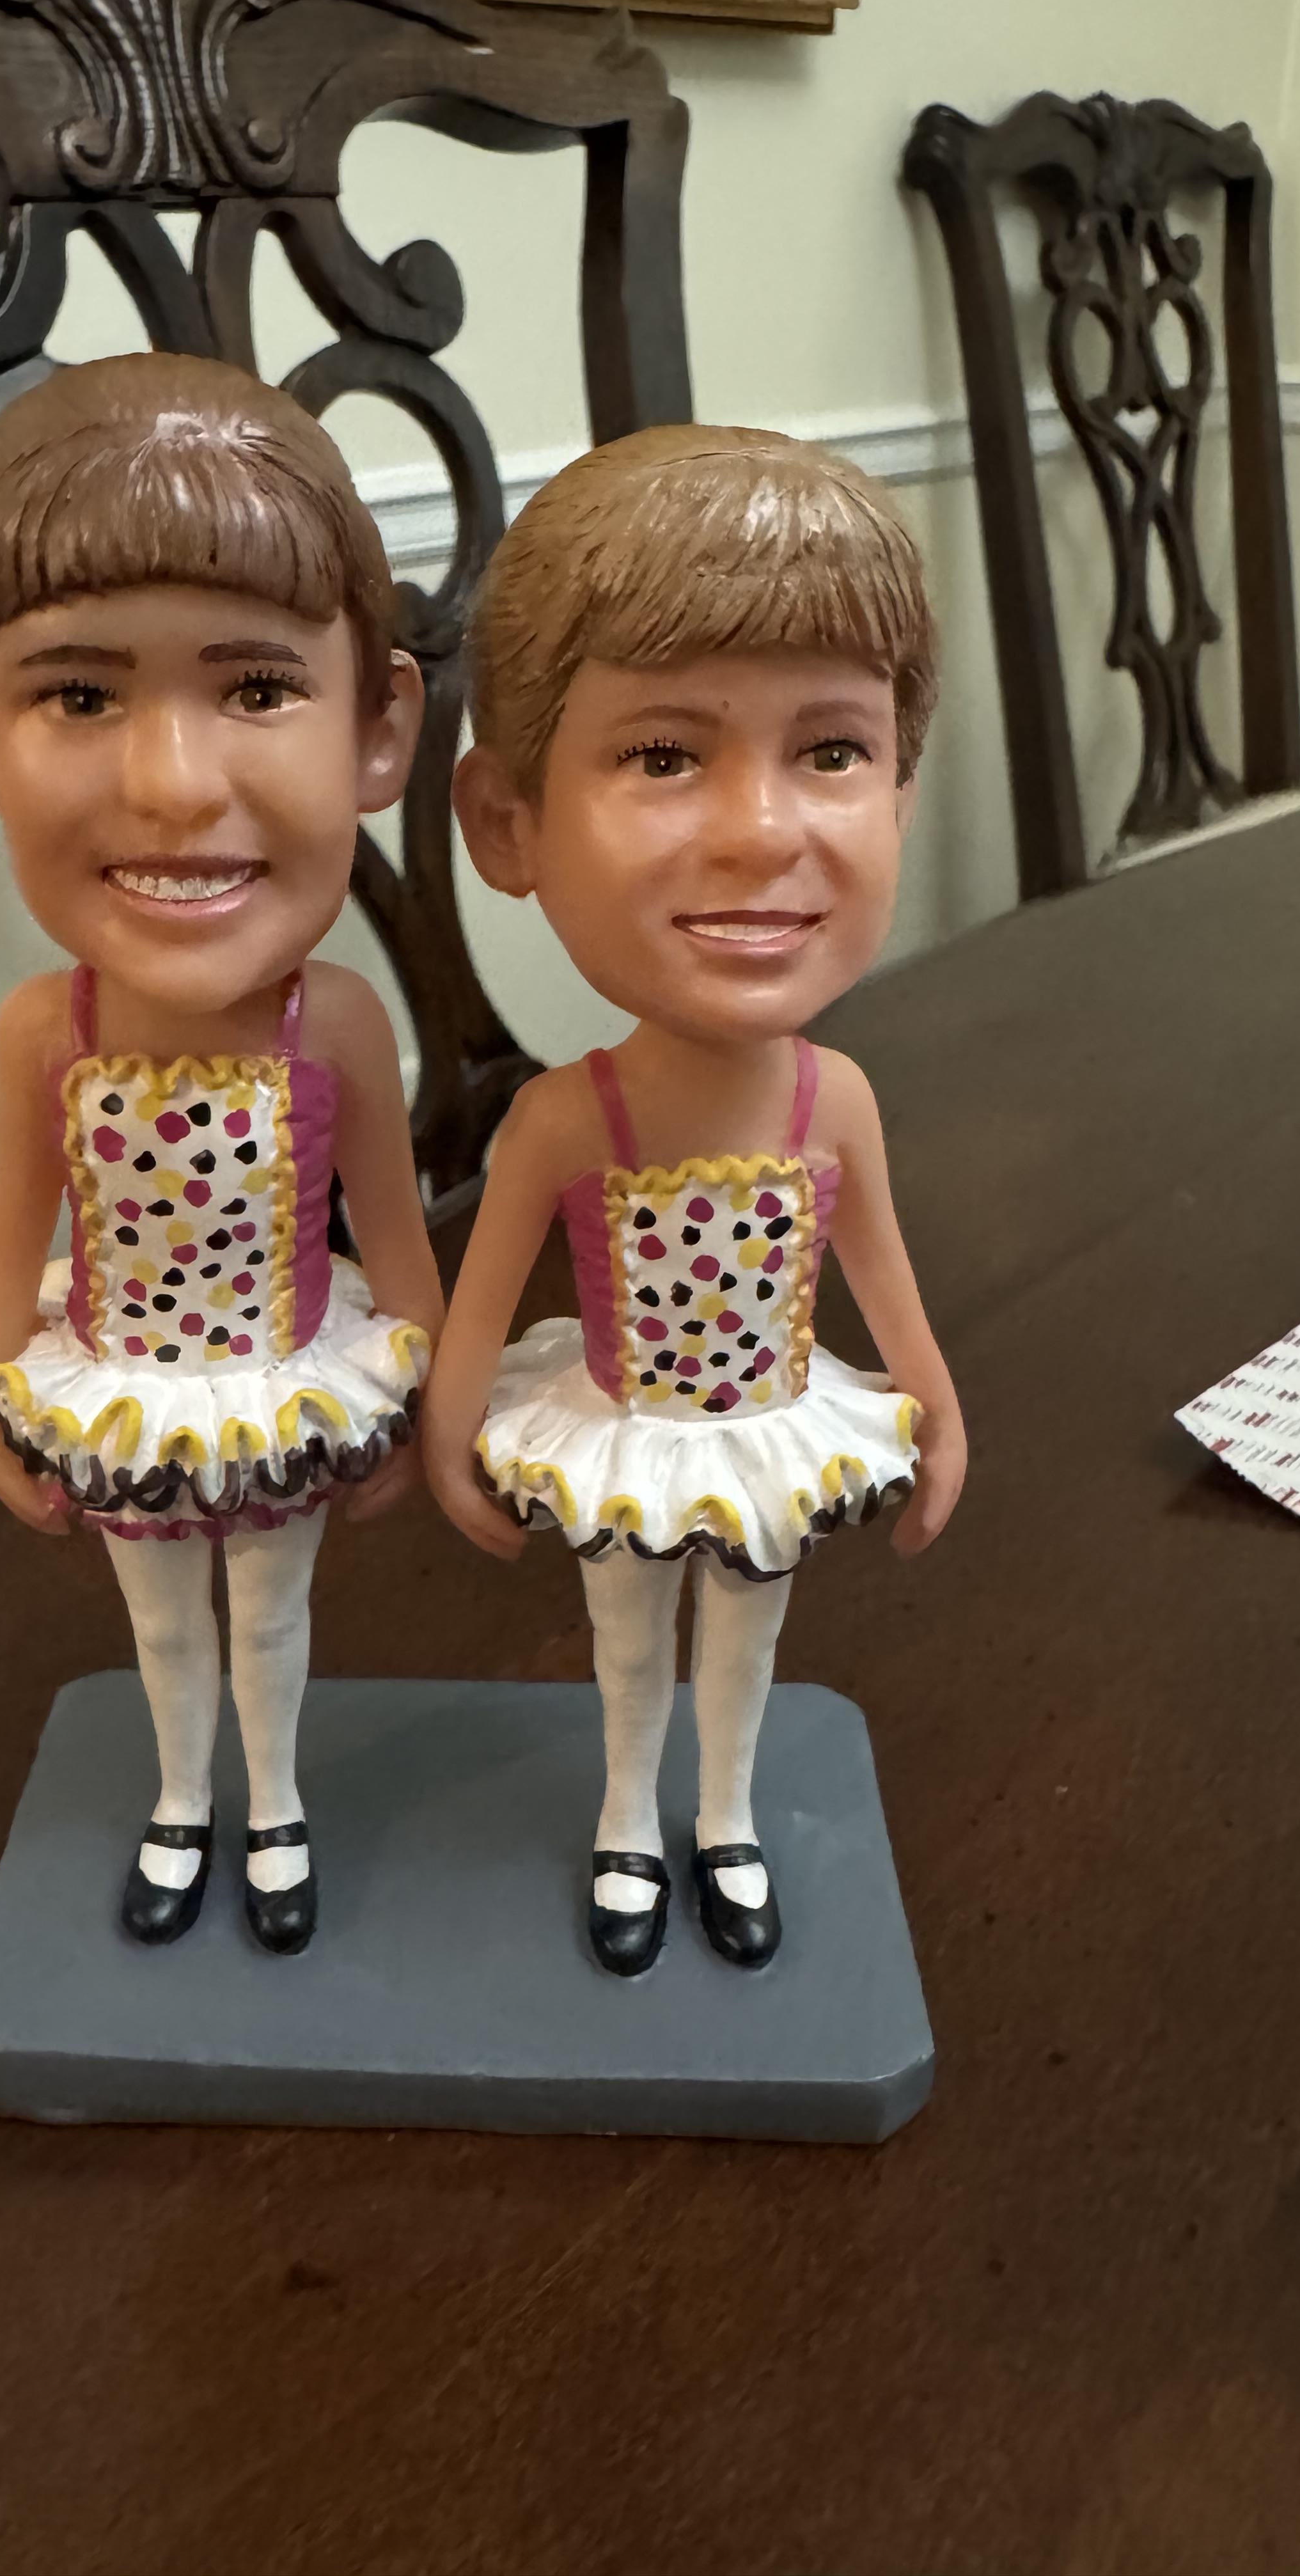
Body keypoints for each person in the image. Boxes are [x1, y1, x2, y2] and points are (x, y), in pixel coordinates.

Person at [0, 353, 441, 1957]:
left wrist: (422, 1392)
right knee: (159, 1617)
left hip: (283, 1380)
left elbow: (399, 1233)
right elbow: (9, 1239)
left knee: (271, 1607)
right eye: (78, 696)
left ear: (381, 728)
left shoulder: (335, 1024)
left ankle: (273, 1805)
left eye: (259, 689)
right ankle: (179, 1799)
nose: (170, 783)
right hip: (127, 1388)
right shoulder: (45, 1033)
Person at [424, 425, 966, 1978]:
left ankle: (723, 1820)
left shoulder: (832, 1102)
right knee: (623, 1634)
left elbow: (883, 1276)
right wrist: (450, 1438)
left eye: (833, 752)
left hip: (773, 1427)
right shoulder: (564, 1120)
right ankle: (623, 1820)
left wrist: (936, 1410)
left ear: (901, 794)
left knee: (750, 1631)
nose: (759, 830)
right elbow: (482, 1299)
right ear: (510, 825)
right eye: (665, 756)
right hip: (626, 1431)